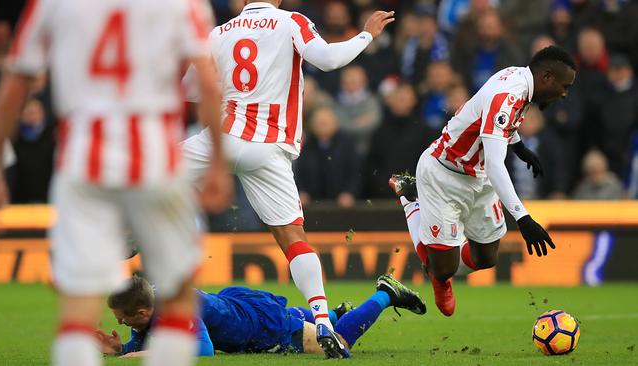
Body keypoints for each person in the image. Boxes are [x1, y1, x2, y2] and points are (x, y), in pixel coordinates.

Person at [0, 1, 232, 366]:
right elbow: (208, 84)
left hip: (83, 163)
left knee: (80, 301)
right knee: (178, 292)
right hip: (155, 159)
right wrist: (217, 163)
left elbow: (14, 85)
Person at [180, 0, 394, 358]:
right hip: (269, 146)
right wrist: (366, 35)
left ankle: (131, 241)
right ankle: (323, 319)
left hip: (223, 138)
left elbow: (189, 88)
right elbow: (327, 59)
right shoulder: (291, 21)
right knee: (293, 238)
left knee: (158, 177)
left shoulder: (219, 32)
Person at [389, 46, 576, 317]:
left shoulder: (517, 77)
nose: (564, 93)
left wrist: (519, 146)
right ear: (547, 77)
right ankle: (410, 199)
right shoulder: (509, 94)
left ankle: (440, 262)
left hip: (477, 176)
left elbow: (492, 119)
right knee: (443, 268)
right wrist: (523, 218)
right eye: (564, 85)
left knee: (487, 258)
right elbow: (495, 163)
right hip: (444, 174)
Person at [96, 275, 425, 357]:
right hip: (241, 308)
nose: (121, 323)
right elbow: (145, 334)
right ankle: (336, 313)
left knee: (335, 344)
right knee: (320, 324)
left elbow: (204, 350)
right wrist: (123, 349)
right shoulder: (151, 302)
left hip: (262, 328)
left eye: (123, 319)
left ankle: (385, 294)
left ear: (141, 310)